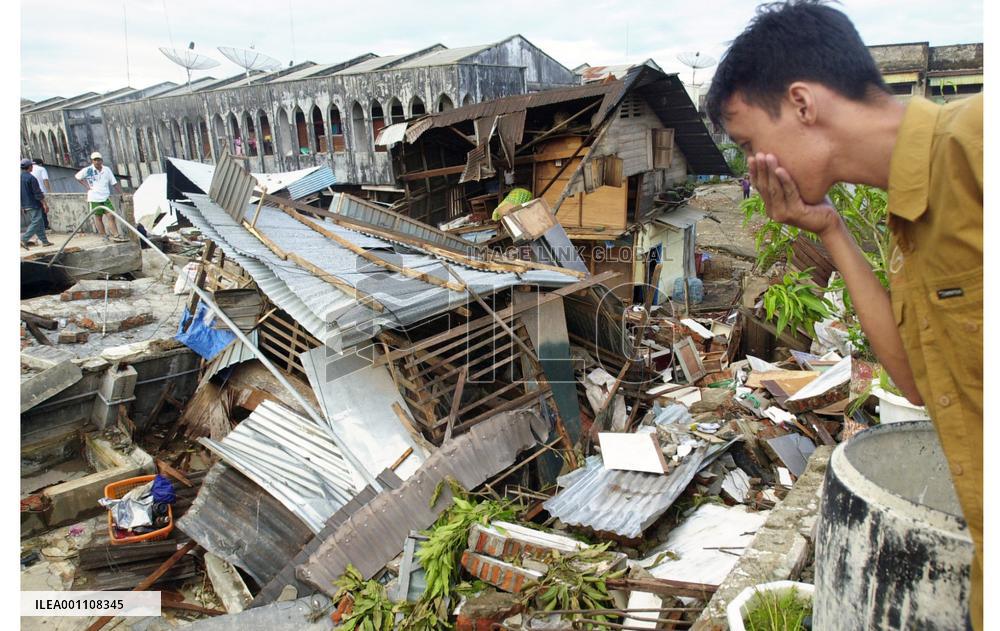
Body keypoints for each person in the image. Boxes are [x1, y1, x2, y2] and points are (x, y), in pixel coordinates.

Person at [706, 2, 982, 628]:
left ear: (802, 103)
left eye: (750, 143)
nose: (751, 173)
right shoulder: (905, 223)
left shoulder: (976, 145)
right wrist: (829, 228)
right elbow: (915, 380)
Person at [75, 152, 127, 242]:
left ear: (101, 160)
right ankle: (103, 235)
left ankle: (116, 234)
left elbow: (114, 182)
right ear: (92, 161)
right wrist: (87, 186)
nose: (97, 162)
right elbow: (77, 177)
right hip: (94, 197)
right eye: (95, 160)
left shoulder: (106, 170)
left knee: (111, 215)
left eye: (98, 160)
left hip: (105, 196)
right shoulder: (88, 170)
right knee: (98, 217)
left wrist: (122, 193)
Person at [21, 158, 51, 247]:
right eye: (31, 165)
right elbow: (37, 193)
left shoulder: (20, 177)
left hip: (26, 204)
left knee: (39, 223)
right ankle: (24, 238)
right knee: (37, 221)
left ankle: (45, 241)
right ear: (29, 167)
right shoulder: (31, 178)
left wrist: (22, 206)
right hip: (34, 204)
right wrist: (44, 203)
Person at [30, 158, 51, 229]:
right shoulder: (41, 169)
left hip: (31, 193)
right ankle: (45, 225)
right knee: (43, 209)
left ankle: (38, 226)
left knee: (35, 210)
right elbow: (45, 180)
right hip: (41, 192)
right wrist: (49, 191)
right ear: (40, 163)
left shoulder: (28, 170)